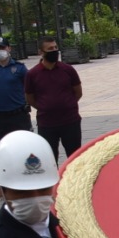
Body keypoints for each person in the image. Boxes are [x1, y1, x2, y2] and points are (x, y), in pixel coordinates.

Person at [23, 36, 85, 164]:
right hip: (47, 124)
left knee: (75, 158)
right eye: (50, 49)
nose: (54, 51)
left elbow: (78, 92)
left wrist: (68, 104)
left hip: (70, 121)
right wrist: (44, 106)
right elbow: (30, 98)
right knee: (49, 159)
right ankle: (53, 184)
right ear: (41, 52)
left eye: (56, 48)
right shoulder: (32, 74)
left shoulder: (68, 70)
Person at [0, 37, 32, 145]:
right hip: (0, 116)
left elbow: (30, 87)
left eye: (3, 47)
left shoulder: (20, 68)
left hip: (19, 114)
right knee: (2, 146)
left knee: (24, 146)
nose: (0, 51)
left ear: (9, 48)